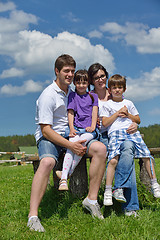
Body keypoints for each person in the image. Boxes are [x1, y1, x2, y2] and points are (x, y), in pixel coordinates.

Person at [27, 55, 106, 232]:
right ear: (57, 71)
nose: (70, 74)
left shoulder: (72, 92)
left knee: (100, 149)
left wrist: (94, 122)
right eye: (66, 71)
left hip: (74, 134)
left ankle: (91, 200)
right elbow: (46, 130)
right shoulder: (48, 94)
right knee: (47, 162)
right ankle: (33, 216)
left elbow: (87, 107)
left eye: (72, 70)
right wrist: (71, 145)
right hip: (51, 136)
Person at [88, 63, 140, 217]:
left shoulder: (115, 95)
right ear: (91, 80)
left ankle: (130, 207)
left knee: (127, 151)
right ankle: (116, 197)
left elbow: (129, 115)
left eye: (102, 76)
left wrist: (134, 125)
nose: (100, 79)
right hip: (99, 136)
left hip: (118, 134)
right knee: (116, 157)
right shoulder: (89, 96)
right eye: (96, 77)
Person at [101, 74, 160, 205]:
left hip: (131, 132)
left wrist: (128, 114)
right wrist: (117, 113)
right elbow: (104, 123)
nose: (117, 90)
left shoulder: (129, 103)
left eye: (120, 87)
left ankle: (154, 183)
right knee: (113, 160)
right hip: (115, 133)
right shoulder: (107, 105)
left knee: (146, 155)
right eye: (114, 87)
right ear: (109, 90)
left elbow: (138, 119)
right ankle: (108, 191)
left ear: (124, 89)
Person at [57, 69, 99, 191]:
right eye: (79, 83)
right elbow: (71, 113)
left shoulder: (92, 96)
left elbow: (94, 112)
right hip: (76, 128)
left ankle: (66, 174)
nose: (81, 85)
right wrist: (71, 129)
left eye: (84, 83)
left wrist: (92, 126)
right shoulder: (73, 96)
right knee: (72, 145)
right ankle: (64, 180)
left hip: (89, 130)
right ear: (74, 83)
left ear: (88, 83)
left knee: (81, 143)